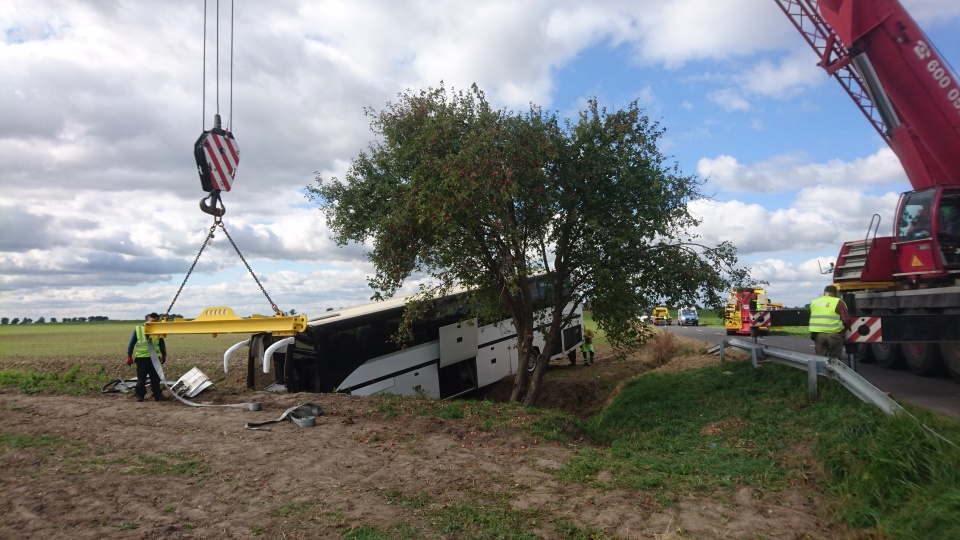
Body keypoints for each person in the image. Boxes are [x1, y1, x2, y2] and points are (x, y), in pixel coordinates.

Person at [126, 312, 167, 402]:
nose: (154, 322)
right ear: (148, 319)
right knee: (141, 379)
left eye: (156, 321)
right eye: (152, 320)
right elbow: (131, 343)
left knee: (155, 378)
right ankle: (139, 396)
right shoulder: (138, 329)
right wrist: (129, 356)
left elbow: (161, 343)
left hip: (155, 358)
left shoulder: (157, 329)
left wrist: (164, 354)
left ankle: (157, 395)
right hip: (142, 358)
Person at [808, 285, 853, 360]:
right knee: (835, 360)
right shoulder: (838, 302)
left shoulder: (814, 302)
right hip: (834, 334)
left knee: (820, 359)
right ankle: (832, 371)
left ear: (824, 293)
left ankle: (822, 372)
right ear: (835, 293)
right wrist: (843, 331)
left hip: (818, 335)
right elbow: (846, 320)